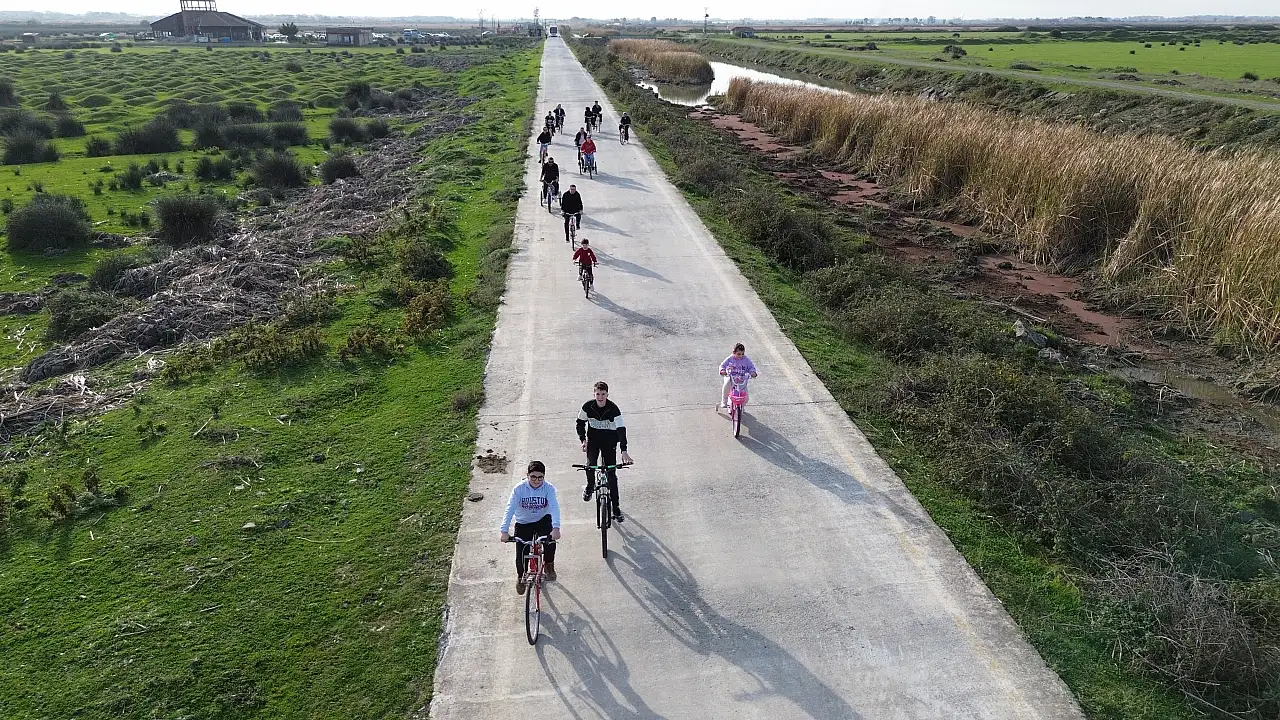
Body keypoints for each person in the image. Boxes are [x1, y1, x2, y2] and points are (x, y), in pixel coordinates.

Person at [499, 460, 562, 594]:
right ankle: (521, 576)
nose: (537, 480)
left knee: (550, 542)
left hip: (542, 520)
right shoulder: (519, 489)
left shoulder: (548, 488)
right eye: (533, 477)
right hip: (523, 523)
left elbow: (554, 507)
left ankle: (549, 566)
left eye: (540, 477)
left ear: (544, 477)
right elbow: (509, 509)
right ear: (527, 475)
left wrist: (556, 528)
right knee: (521, 552)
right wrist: (504, 531)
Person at [576, 381, 633, 522]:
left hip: (609, 442)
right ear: (594, 394)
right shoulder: (587, 407)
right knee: (590, 465)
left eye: (603, 394)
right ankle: (590, 486)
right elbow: (579, 423)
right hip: (593, 441)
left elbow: (621, 430)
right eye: (598, 394)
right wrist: (583, 440)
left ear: (607, 394)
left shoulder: (614, 410)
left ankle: (616, 508)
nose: (600, 397)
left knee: (611, 474)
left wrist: (624, 451)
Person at [718, 343, 758, 409]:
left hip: (742, 379)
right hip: (731, 377)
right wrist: (723, 371)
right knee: (727, 385)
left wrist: (752, 372)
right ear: (734, 352)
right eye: (739, 354)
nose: (741, 356)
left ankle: (741, 406)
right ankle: (724, 401)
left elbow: (751, 367)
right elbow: (722, 365)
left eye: (742, 354)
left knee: (746, 397)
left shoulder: (746, 360)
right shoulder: (730, 359)